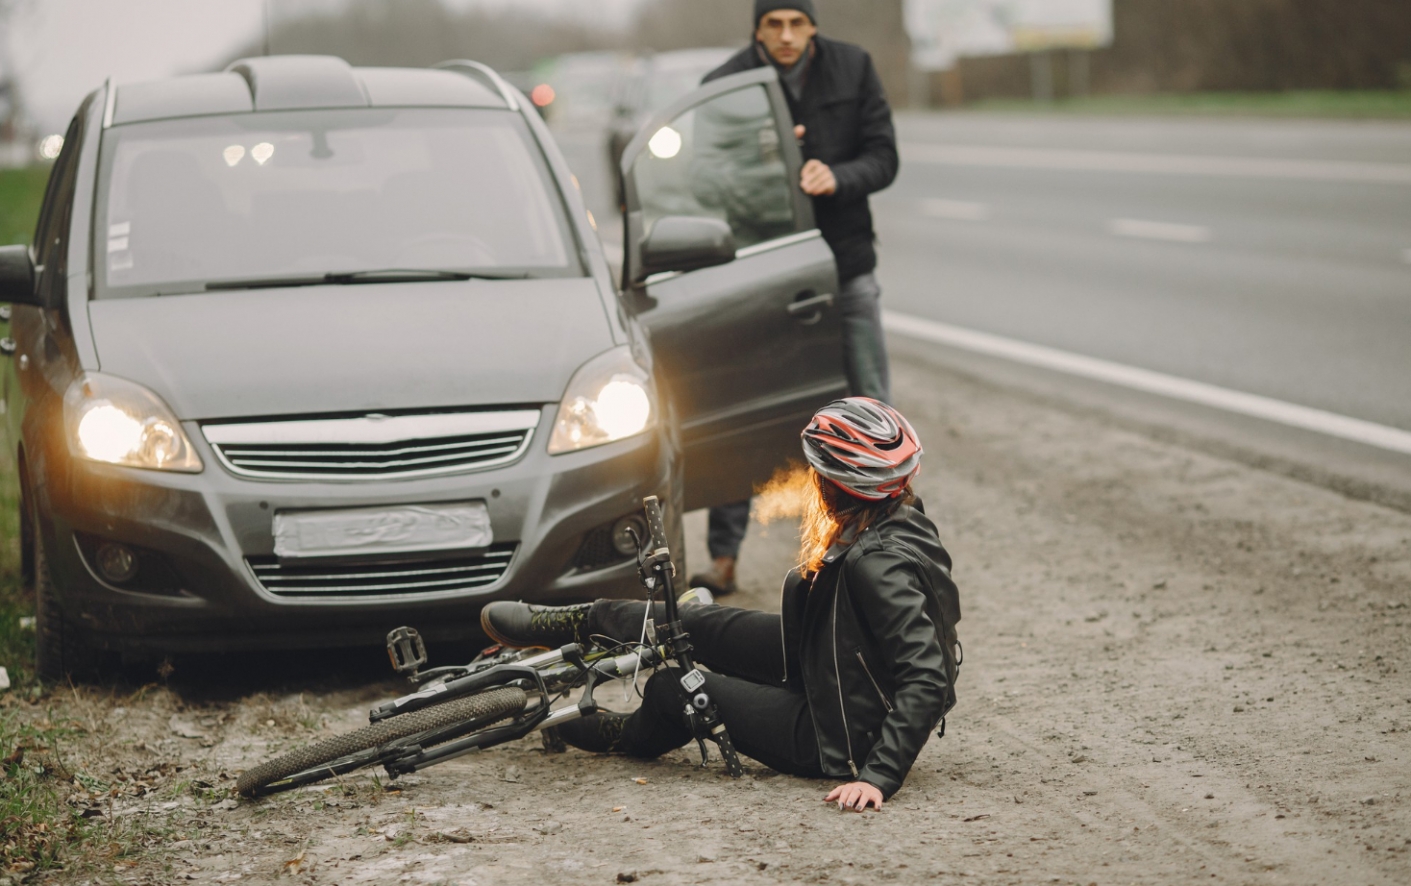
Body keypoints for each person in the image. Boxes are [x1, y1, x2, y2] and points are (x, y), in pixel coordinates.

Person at [481, 399, 960, 810]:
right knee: (693, 621)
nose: (813, 480)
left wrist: (876, 777)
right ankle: (574, 621)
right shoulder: (894, 517)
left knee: (676, 686)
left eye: (819, 472)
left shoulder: (878, 564)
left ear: (839, 484)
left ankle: (623, 735)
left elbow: (927, 674)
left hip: (836, 734)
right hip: (828, 665)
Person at [691, 1, 900, 596]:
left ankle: (883, 544)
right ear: (756, 29)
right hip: (756, 273)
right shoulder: (723, 86)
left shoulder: (853, 68)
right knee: (738, 406)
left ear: (813, 26)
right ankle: (724, 558)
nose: (786, 36)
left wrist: (837, 175)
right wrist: (767, 166)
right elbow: (703, 178)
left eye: (797, 23)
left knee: (869, 405)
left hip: (844, 264)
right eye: (773, 25)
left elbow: (884, 157)